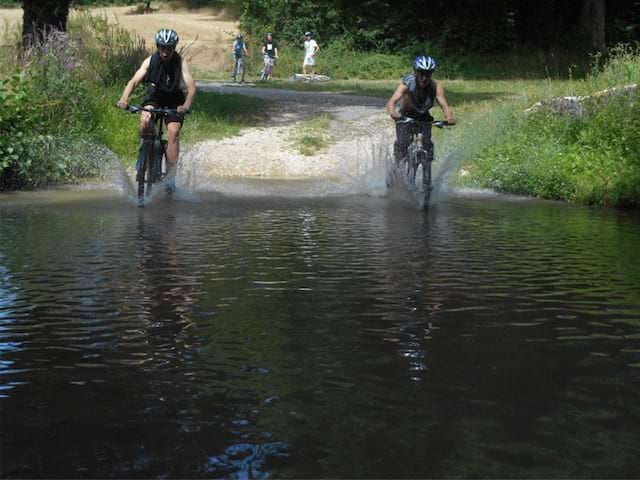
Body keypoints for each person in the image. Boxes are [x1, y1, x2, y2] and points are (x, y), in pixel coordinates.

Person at [117, 28, 196, 188]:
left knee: (173, 132)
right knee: (145, 119)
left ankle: (169, 179)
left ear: (174, 47)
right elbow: (133, 81)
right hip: (155, 98)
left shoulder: (181, 63)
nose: (166, 51)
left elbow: (192, 87)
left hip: (175, 101)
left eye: (169, 48)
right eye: (162, 47)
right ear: (158, 46)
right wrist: (124, 98)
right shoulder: (150, 61)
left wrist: (186, 106)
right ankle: (146, 153)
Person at [386, 55, 456, 164]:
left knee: (427, 145)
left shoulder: (436, 87)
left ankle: (426, 167)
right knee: (403, 144)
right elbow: (392, 101)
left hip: (424, 117)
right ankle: (397, 168)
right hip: (405, 116)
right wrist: (393, 112)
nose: (424, 77)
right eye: (421, 73)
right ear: (416, 72)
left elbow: (444, 106)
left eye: (428, 74)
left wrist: (450, 117)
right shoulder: (407, 84)